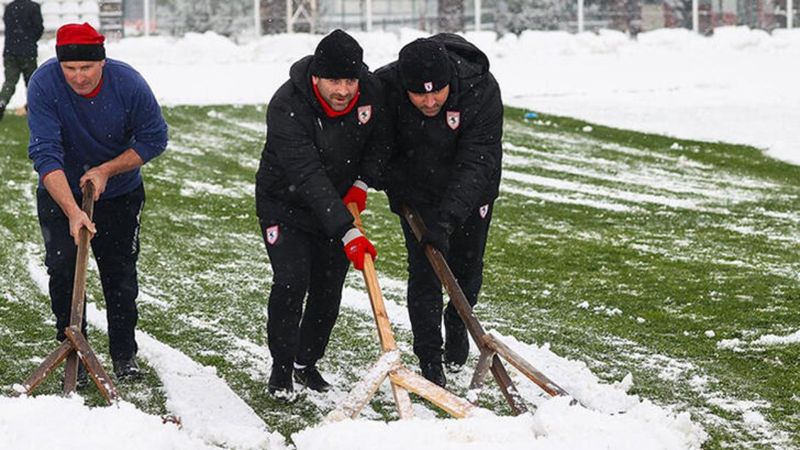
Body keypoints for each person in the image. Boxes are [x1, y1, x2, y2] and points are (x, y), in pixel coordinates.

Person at [27, 23, 168, 381]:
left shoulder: (128, 84)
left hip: (120, 194)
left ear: (102, 62)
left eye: (86, 68)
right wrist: (73, 211)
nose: (78, 77)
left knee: (119, 275)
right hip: (61, 193)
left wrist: (106, 170)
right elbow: (45, 153)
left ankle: (124, 355)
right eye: (70, 69)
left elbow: (154, 139)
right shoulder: (44, 84)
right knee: (63, 271)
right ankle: (74, 348)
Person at [255, 29, 389, 396]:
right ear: (316, 77)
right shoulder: (287, 105)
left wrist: (362, 183)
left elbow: (381, 140)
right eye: (334, 80)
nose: (343, 90)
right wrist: (348, 231)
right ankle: (281, 369)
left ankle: (305, 363)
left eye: (350, 80)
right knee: (291, 280)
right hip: (286, 203)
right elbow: (307, 174)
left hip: (339, 201)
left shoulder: (371, 92)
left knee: (328, 289)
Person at [376, 34, 503, 388]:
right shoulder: (386, 87)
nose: (430, 101)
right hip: (418, 190)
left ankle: (458, 319)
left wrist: (446, 219)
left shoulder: (481, 89)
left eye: (438, 92)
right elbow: (378, 145)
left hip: (472, 188)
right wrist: (394, 184)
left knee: (467, 270)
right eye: (419, 93)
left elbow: (478, 162)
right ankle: (430, 357)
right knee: (424, 273)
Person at [1, 0, 43, 120]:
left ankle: (2, 101)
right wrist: (30, 40)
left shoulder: (9, 7)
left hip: (10, 50)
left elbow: (8, 26)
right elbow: (39, 28)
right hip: (27, 51)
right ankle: (33, 107)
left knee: (9, 81)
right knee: (31, 81)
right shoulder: (33, 7)